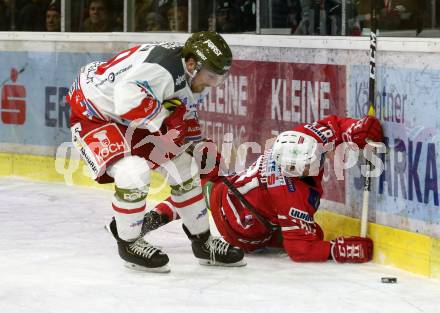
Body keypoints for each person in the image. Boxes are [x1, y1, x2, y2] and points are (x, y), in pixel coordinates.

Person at [66, 31, 246, 273]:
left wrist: (196, 146)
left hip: (128, 114)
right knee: (133, 172)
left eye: (218, 79)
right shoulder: (164, 72)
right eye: (210, 76)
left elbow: (182, 115)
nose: (211, 84)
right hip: (92, 112)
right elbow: (125, 98)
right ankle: (129, 243)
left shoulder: (188, 74)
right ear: (192, 64)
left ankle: (203, 242)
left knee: (185, 167)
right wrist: (166, 118)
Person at [143, 114, 383, 263]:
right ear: (294, 171)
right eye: (309, 165)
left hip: (227, 191)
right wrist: (339, 250)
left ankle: (157, 215)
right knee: (313, 236)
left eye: (315, 157)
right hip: (242, 231)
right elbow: (300, 250)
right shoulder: (290, 196)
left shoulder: (303, 138)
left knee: (199, 190)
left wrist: (355, 130)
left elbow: (334, 125)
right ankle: (158, 215)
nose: (319, 162)